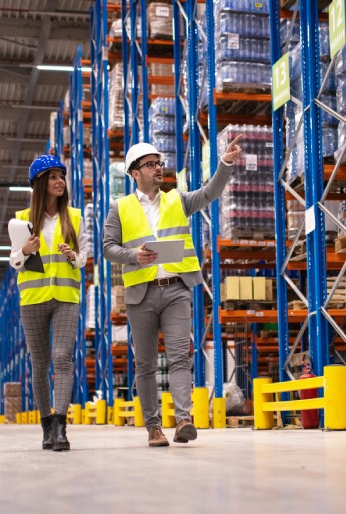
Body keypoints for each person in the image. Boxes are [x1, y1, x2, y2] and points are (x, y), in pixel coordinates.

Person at [103, 137, 243, 447]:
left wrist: (226, 163)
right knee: (146, 364)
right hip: (141, 294)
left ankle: (183, 419)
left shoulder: (176, 199)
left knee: (181, 356)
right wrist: (133, 256)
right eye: (150, 165)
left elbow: (210, 193)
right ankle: (153, 427)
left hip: (176, 289)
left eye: (159, 163)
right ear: (134, 173)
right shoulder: (120, 208)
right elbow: (107, 248)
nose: (158, 169)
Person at [8, 154, 89, 451]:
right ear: (40, 183)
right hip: (33, 299)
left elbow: (82, 259)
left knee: (62, 358)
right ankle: (45, 426)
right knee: (39, 364)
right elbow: (14, 262)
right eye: (53, 177)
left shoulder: (75, 217)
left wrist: (72, 256)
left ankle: (61, 427)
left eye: (61, 176)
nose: (59, 181)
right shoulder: (21, 220)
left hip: (67, 298)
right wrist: (26, 250)